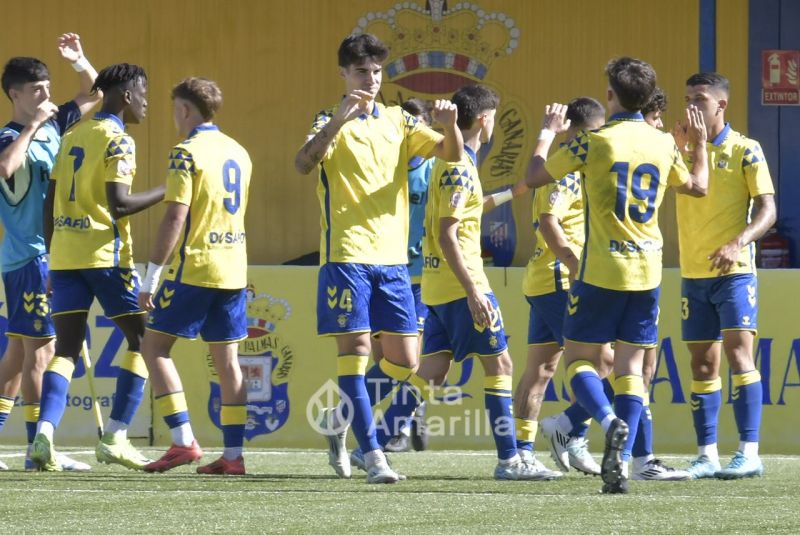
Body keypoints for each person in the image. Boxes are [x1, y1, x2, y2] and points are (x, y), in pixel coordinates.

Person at [524, 57, 708, 493]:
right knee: (630, 370)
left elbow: (533, 176)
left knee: (580, 362)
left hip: (601, 271)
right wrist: (698, 143)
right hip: (647, 273)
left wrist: (547, 134)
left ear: (611, 95)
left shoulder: (596, 141)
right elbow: (698, 186)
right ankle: (621, 466)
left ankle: (607, 422)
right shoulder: (662, 143)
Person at [366, 84, 558, 480]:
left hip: (437, 286)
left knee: (432, 372)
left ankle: (371, 443)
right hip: (461, 285)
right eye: (493, 119)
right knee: (500, 365)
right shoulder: (458, 166)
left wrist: (510, 193)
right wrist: (473, 291)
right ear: (485, 120)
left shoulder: (451, 161)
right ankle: (510, 460)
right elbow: (448, 231)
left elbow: (467, 208)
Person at [294, 33, 462, 484]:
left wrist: (451, 125)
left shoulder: (398, 121)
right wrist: (337, 122)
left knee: (405, 361)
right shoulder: (328, 118)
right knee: (357, 350)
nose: (370, 79)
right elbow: (303, 163)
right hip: (345, 256)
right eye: (361, 72)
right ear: (344, 75)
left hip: (392, 264)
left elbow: (452, 154)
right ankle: (374, 456)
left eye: (375, 71)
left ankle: (338, 417)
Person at [30, 63, 164, 471]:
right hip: (105, 257)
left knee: (66, 349)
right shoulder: (117, 140)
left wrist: (54, 259)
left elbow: (48, 205)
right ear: (126, 95)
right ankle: (116, 436)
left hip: (67, 256)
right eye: (143, 94)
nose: (146, 103)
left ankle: (44, 436)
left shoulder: (73, 133)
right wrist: (171, 189)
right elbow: (119, 204)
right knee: (146, 341)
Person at [138, 77, 252, 475]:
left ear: (185, 110)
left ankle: (183, 440)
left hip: (198, 266)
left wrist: (151, 277)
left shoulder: (186, 152)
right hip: (234, 268)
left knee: (154, 348)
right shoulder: (238, 151)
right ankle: (234, 457)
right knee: (228, 363)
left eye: (175, 110)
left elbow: (175, 215)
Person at [0, 34, 100, 471]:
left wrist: (81, 60)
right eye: (36, 89)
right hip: (29, 257)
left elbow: (95, 93)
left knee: (19, 355)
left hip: (47, 253)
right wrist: (35, 125)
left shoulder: (56, 122)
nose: (46, 95)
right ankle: (38, 451)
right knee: (41, 352)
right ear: (14, 95)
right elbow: (6, 167)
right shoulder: (10, 134)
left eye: (47, 86)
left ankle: (34, 447)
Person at [676, 73, 775, 480]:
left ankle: (749, 451)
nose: (692, 107)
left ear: (721, 105)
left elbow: (767, 210)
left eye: (700, 99)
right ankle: (707, 454)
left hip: (734, 273)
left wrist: (738, 242)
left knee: (739, 355)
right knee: (702, 364)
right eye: (687, 99)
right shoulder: (679, 151)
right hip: (692, 272)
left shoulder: (746, 150)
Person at [511, 97, 608, 476]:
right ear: (584, 132)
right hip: (559, 279)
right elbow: (548, 220)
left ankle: (523, 451)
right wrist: (573, 264)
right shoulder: (567, 170)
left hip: (547, 279)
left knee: (541, 370)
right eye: (598, 134)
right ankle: (568, 429)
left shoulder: (576, 166)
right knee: (606, 363)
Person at [383, 97, 433, 454]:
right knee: (383, 357)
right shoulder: (385, 165)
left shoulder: (433, 168)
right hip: (382, 269)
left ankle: (402, 422)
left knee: (410, 356)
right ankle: (405, 415)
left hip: (417, 277)